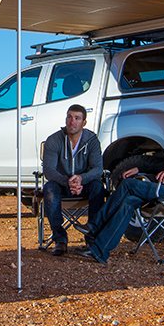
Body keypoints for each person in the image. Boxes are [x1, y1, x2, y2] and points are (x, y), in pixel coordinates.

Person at [75, 107, 164, 264]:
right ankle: (99, 250)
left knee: (129, 184)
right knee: (129, 201)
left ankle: (95, 225)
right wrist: (141, 168)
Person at [41, 104, 104, 256]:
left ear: (84, 122)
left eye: (77, 118)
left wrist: (82, 179)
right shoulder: (54, 139)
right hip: (62, 184)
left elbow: (97, 169)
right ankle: (60, 240)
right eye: (69, 117)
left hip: (85, 185)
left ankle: (92, 239)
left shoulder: (92, 140)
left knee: (98, 186)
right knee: (49, 188)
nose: (72, 122)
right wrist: (67, 181)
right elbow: (48, 170)